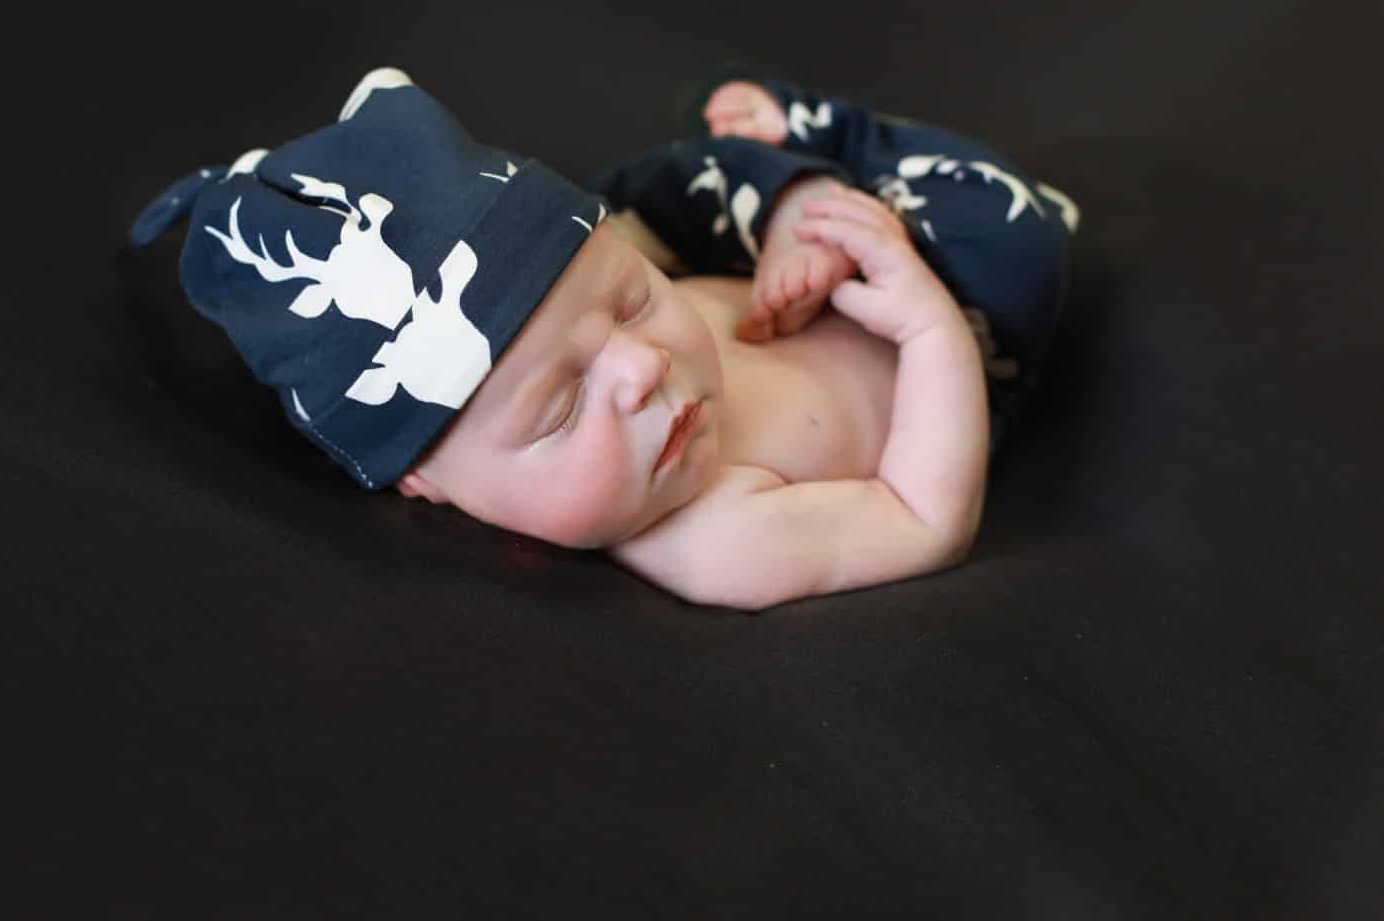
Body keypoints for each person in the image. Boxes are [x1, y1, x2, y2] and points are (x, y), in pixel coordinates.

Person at [126, 67, 1076, 611]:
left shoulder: (591, 280)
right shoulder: (716, 542)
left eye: (632, 305)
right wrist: (927, 325)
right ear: (426, 484)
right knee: (1018, 240)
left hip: (784, 265)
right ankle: (832, 145)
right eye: (561, 406)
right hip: (960, 340)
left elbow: (616, 236)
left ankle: (790, 169)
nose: (640, 367)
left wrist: (792, 222)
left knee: (646, 202)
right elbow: (925, 517)